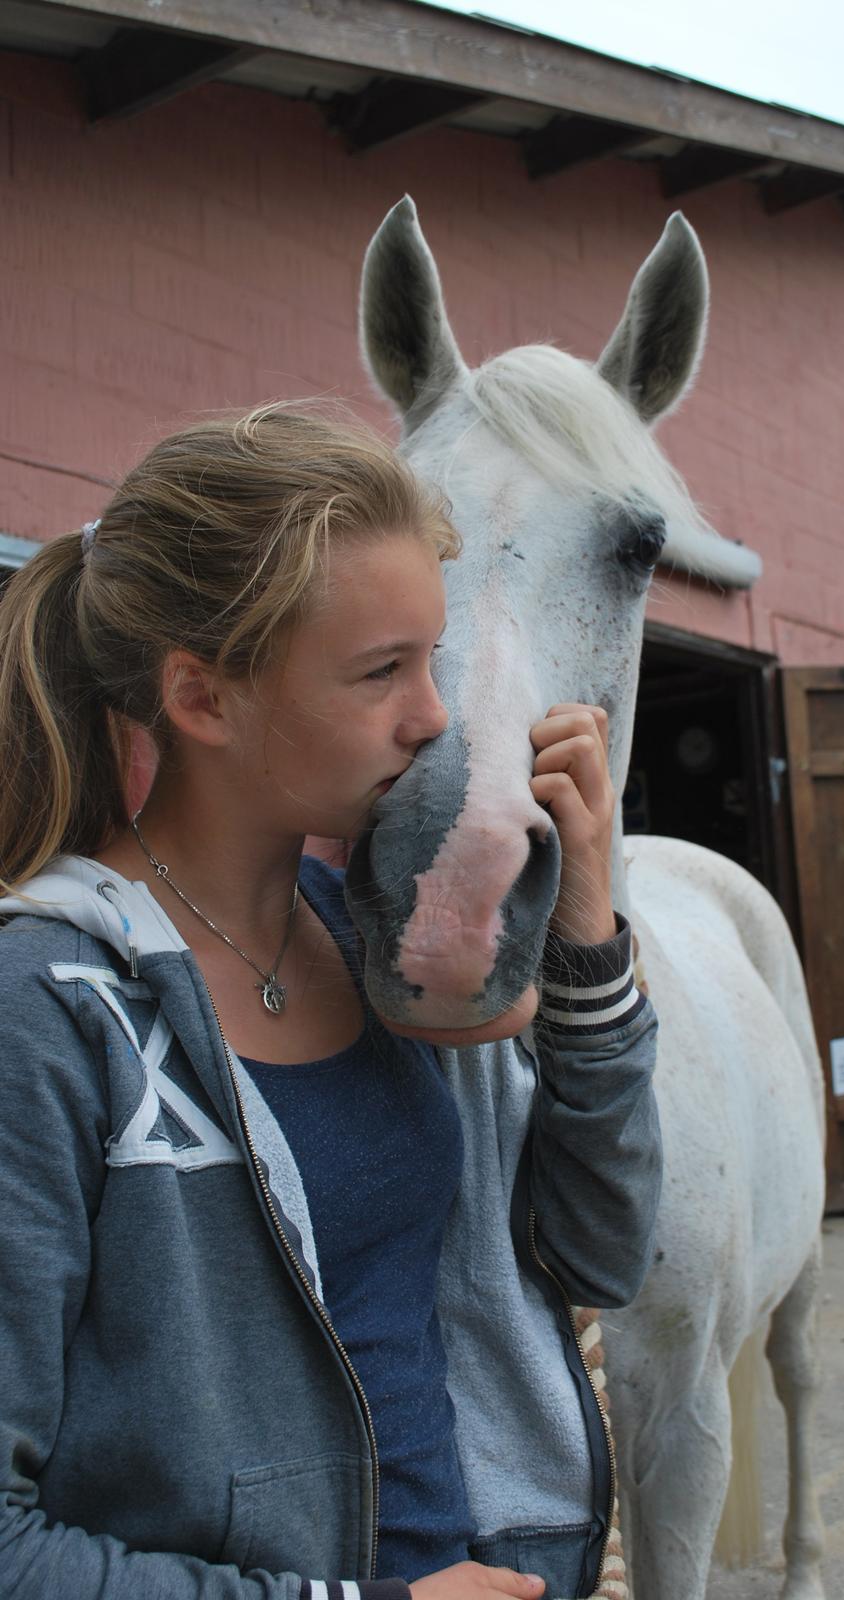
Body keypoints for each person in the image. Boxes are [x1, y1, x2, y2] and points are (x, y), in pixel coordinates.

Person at [0, 403, 660, 1600]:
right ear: (201, 699)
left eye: (433, 657)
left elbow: (596, 1254)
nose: (438, 717)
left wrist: (587, 941)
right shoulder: (43, 1016)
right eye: (382, 672)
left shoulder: (375, 944)